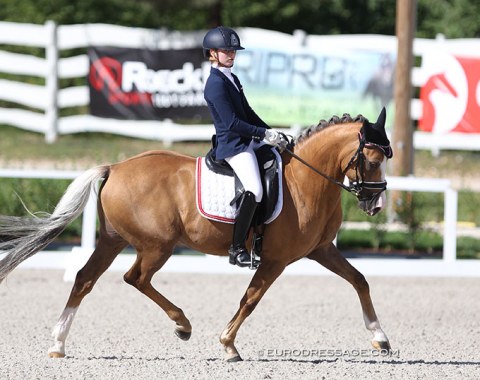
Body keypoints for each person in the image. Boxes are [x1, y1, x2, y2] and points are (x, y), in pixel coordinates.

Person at [202, 26, 284, 268]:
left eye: (233, 50)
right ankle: (237, 248)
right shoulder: (215, 84)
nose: (232, 54)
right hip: (234, 146)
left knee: (278, 163)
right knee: (255, 189)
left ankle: (262, 237)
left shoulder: (231, 77)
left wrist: (273, 133)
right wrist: (263, 134)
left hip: (248, 140)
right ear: (213, 53)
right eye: (226, 50)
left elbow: (247, 112)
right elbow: (233, 123)